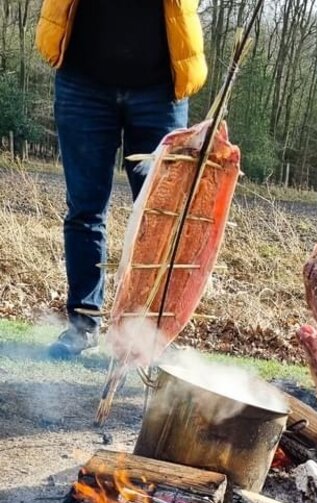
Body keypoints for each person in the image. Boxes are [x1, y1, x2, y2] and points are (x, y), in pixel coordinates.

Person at [35, 0, 207, 359]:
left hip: (161, 88)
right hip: (82, 80)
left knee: (161, 222)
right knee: (84, 210)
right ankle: (82, 325)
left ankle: (147, 339)